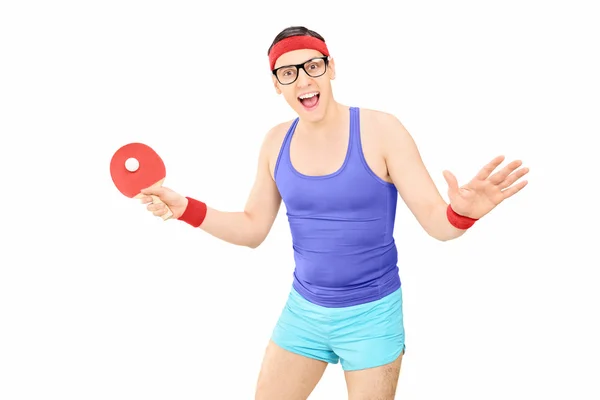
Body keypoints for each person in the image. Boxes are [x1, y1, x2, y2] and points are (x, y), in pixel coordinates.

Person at [139, 26, 529, 400]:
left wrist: (462, 214)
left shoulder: (382, 130)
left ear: (331, 68)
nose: (304, 80)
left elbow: (437, 223)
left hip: (372, 318)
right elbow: (252, 228)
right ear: (276, 84)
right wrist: (184, 208)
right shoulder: (275, 142)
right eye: (288, 73)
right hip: (303, 313)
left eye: (313, 66)